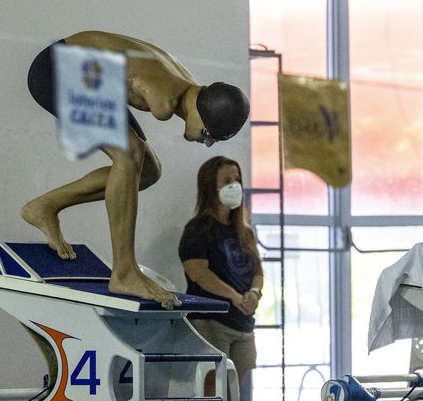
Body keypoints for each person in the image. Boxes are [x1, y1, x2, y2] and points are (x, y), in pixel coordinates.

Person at [22, 31, 250, 309]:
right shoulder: (163, 99)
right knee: (129, 156)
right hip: (58, 69)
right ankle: (124, 271)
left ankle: (44, 206)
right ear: (203, 113)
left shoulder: (185, 86)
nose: (206, 142)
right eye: (207, 134)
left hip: (87, 72)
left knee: (149, 171)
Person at [179, 156, 263, 400]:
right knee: (212, 391)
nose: (234, 185)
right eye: (227, 180)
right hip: (212, 323)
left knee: (234, 391)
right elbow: (198, 273)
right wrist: (235, 297)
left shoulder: (244, 231)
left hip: (244, 324)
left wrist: (254, 294)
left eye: (237, 179)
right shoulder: (197, 229)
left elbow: (257, 272)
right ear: (210, 187)